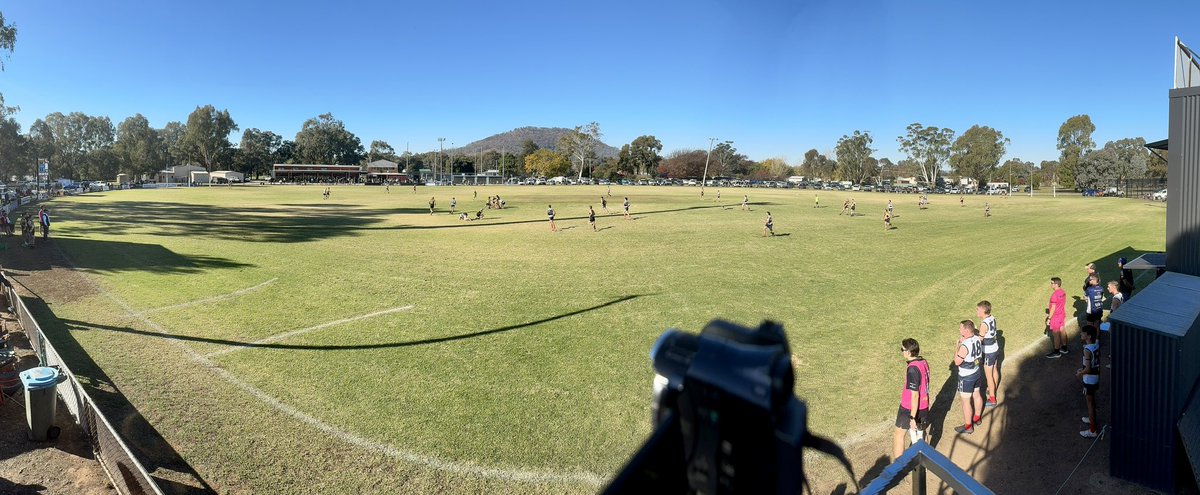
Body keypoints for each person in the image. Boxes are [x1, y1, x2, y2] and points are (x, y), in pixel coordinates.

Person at [894, 338, 930, 460]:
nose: (902, 352)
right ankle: (926, 462)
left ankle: (898, 469)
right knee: (921, 433)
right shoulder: (923, 362)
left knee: (899, 435)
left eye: (902, 349)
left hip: (909, 407)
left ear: (909, 352)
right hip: (924, 406)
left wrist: (912, 417)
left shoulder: (912, 369)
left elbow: (915, 395)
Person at [953, 320, 985, 434]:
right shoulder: (977, 338)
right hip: (976, 372)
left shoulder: (964, 346)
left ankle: (968, 427)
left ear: (966, 330)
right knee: (977, 395)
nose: (959, 330)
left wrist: (958, 346)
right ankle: (977, 418)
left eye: (961, 328)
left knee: (966, 401)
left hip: (966, 376)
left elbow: (956, 362)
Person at [1077, 325, 1101, 438]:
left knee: (1090, 404)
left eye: (1083, 333)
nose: (1081, 334)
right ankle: (1092, 419)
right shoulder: (1095, 344)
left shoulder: (1087, 350)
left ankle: (1092, 430)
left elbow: (1088, 369)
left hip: (1089, 380)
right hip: (1095, 377)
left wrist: (1080, 373)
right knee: (1092, 402)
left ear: (1089, 336)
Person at [978, 301, 1001, 407]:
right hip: (995, 348)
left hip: (988, 352)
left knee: (989, 376)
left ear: (983, 310)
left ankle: (992, 399)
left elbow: (980, 340)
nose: (977, 312)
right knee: (995, 370)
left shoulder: (983, 324)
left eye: (978, 310)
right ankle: (994, 388)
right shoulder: (992, 318)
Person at [1046, 277, 1068, 358]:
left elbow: (1053, 308)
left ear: (1056, 284)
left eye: (1052, 283)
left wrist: (1049, 318)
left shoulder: (1054, 295)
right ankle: (1065, 348)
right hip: (1062, 314)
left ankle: (1057, 352)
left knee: (1056, 334)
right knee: (1062, 330)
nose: (1050, 284)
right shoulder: (1063, 292)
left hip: (1056, 317)